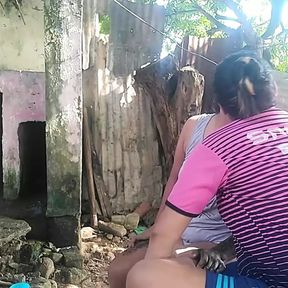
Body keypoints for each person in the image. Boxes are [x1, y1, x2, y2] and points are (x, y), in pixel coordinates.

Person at [126, 50, 288, 288]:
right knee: (193, 261)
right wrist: (221, 252)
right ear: (272, 90)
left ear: (218, 103)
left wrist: (160, 266)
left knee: (145, 275)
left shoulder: (219, 147)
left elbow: (161, 239)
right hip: (257, 267)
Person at [108, 105, 233, 288]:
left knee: (146, 278)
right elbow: (174, 178)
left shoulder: (245, 139)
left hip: (216, 239)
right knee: (118, 272)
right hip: (178, 228)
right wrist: (158, 227)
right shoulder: (195, 126)